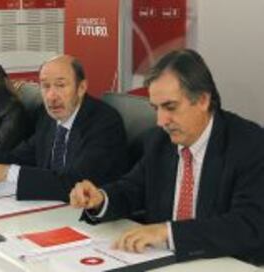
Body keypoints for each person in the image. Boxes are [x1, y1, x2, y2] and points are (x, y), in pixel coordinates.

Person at [69, 49, 264, 264]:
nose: (161, 121)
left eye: (170, 107)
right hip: (165, 262)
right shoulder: (158, 141)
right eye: (156, 108)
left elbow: (249, 224)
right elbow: (132, 188)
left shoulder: (250, 144)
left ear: (202, 100)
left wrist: (168, 233)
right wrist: (100, 199)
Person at [0, 55, 129, 202]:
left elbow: (74, 180)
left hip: (90, 217)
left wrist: (8, 172)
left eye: (60, 85)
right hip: (50, 209)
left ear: (81, 87)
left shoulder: (104, 122)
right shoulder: (47, 116)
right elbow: (20, 155)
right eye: (45, 86)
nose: (51, 96)